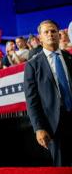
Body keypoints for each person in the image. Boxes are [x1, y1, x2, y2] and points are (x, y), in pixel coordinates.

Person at [24, 20, 72, 166]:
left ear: (59, 34)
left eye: (53, 31)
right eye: (46, 32)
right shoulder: (32, 65)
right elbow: (31, 100)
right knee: (62, 165)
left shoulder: (69, 58)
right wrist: (38, 128)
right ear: (40, 38)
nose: (50, 34)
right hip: (54, 124)